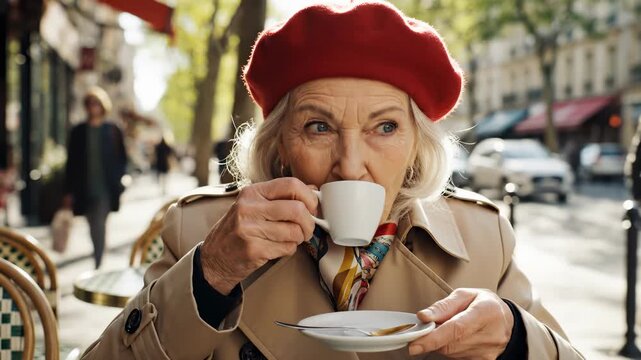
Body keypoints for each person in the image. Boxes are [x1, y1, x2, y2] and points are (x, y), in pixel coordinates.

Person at [82, 2, 583, 359]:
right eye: (318, 127)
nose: (350, 164)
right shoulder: (202, 231)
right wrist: (211, 273)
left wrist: (518, 339)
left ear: (416, 146)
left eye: (385, 127)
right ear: (279, 146)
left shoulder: (483, 240)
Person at [63, 86, 127, 269]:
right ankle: (97, 254)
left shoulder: (113, 129)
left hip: (106, 188)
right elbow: (71, 163)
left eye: (96, 103)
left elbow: (122, 158)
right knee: (91, 224)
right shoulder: (78, 131)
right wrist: (67, 191)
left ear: (102, 105)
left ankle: (98, 262)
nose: (93, 107)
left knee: (99, 223)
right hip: (83, 187)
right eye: (89, 103)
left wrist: (120, 179)